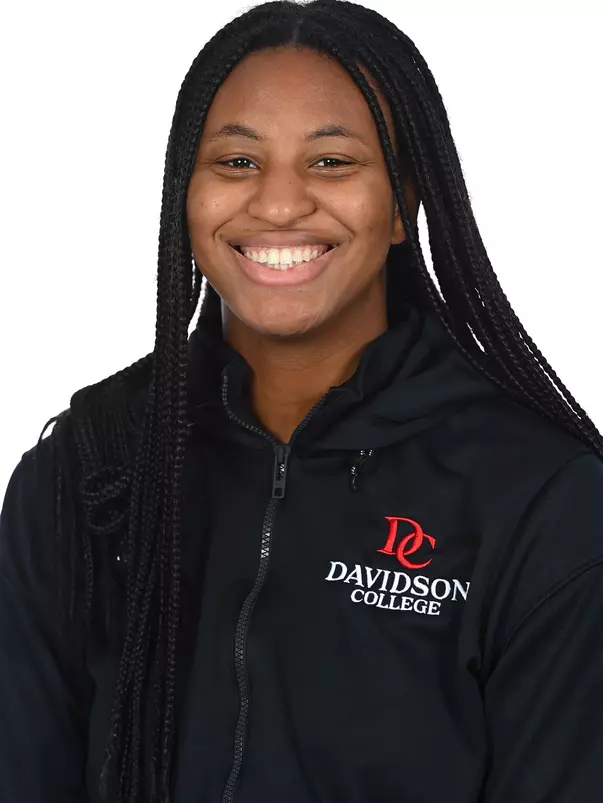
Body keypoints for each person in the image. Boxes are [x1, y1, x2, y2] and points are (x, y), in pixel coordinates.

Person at [1, 1, 603, 801]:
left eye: (331, 162)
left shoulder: (541, 498)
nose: (279, 205)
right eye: (237, 163)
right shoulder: (86, 472)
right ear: (186, 196)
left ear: (401, 205)